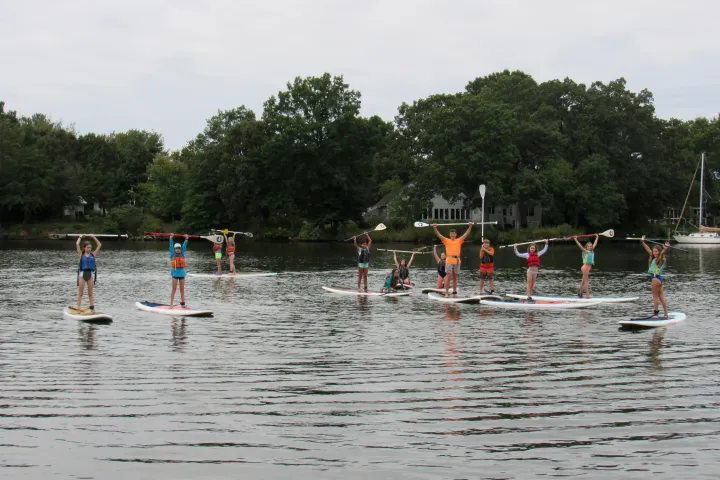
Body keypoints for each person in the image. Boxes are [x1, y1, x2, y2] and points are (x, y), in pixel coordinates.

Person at [432, 223, 473, 297]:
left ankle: (454, 292)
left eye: (454, 234)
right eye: (451, 234)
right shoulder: (447, 240)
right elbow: (439, 235)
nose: (452, 235)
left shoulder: (459, 240)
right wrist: (435, 228)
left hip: (457, 260)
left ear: (456, 235)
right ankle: (447, 293)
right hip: (449, 260)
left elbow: (466, 234)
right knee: (448, 277)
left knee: (455, 277)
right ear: (450, 235)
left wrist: (470, 226)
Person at [641, 235, 670, 318]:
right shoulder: (654, 258)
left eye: (656, 251)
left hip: (655, 279)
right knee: (661, 297)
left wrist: (665, 249)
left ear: (659, 252)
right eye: (654, 252)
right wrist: (642, 241)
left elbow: (661, 254)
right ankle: (665, 314)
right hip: (660, 280)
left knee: (655, 297)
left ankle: (656, 314)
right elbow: (648, 250)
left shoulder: (659, 259)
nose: (654, 253)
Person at [75, 234, 101, 311]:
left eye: (90, 247)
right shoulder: (81, 254)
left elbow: (99, 245)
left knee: (90, 293)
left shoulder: (93, 254)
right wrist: (80, 236)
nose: (89, 249)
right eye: (88, 247)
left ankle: (92, 307)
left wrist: (93, 237)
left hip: (90, 275)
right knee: (81, 293)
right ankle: (78, 308)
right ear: (84, 248)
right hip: (82, 275)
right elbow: (77, 244)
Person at [573, 234, 599, 298]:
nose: (590, 247)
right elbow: (580, 246)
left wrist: (597, 237)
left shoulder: (592, 251)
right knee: (586, 282)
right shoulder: (585, 252)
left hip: (588, 267)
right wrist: (575, 239)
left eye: (591, 246)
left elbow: (595, 243)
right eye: (589, 246)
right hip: (585, 267)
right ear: (586, 247)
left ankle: (580, 291)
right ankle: (587, 295)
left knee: (583, 281)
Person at [170, 234, 190, 307]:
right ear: (175, 249)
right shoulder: (172, 254)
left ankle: (183, 303)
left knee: (182, 289)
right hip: (175, 275)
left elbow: (184, 246)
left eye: (179, 248)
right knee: (174, 289)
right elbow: (171, 246)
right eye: (176, 248)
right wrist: (171, 238)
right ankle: (171, 304)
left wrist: (186, 239)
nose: (178, 249)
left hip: (182, 275)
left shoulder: (183, 253)